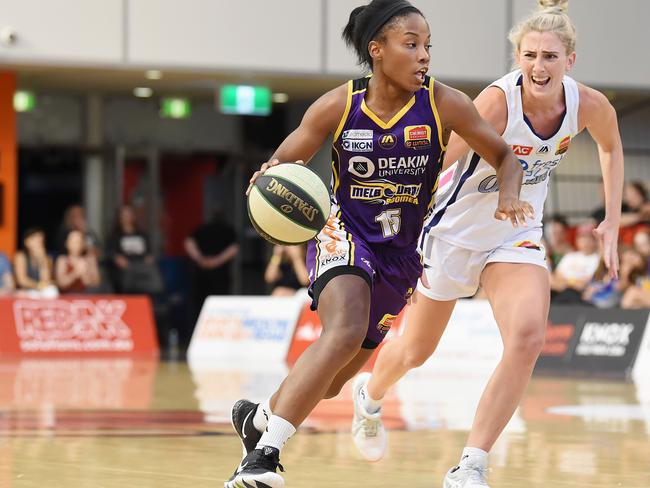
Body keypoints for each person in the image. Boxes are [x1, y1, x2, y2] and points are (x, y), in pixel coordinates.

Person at [224, 1, 532, 487]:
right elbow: (283, 163)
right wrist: (266, 182)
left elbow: (504, 157)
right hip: (343, 232)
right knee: (343, 330)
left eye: (428, 45)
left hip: (401, 254)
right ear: (377, 51)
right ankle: (262, 457)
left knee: (332, 386)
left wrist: (509, 193)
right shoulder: (338, 105)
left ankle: (259, 416)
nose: (424, 55)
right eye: (411, 45)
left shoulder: (444, 103)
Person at [351, 1, 624, 487]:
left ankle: (471, 464)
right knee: (415, 351)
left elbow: (610, 146)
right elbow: (439, 160)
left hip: (515, 233)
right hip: (454, 233)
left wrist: (612, 219)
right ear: (518, 57)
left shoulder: (590, 105)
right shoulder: (498, 103)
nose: (539, 66)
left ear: (570, 61)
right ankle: (369, 396)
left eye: (550, 57)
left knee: (527, 336)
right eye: (530, 55)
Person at [184, 209, 239, 320]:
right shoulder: (228, 230)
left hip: (203, 272)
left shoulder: (202, 228)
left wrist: (200, 259)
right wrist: (216, 261)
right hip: (219, 274)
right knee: (220, 305)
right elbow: (234, 249)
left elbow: (189, 243)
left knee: (199, 305)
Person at [106, 204, 162, 294]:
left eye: (129, 215)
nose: (126, 218)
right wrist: (117, 258)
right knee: (126, 273)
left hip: (142, 265)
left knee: (152, 271)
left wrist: (150, 258)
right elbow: (111, 253)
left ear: (133, 217)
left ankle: (153, 295)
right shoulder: (114, 236)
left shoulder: (142, 234)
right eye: (124, 215)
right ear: (119, 217)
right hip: (126, 266)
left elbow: (150, 252)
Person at [550, 223, 601, 303]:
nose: (585, 241)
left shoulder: (598, 259)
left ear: (595, 240)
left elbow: (584, 283)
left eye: (589, 238)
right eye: (582, 237)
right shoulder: (569, 256)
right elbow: (555, 280)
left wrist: (565, 282)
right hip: (561, 294)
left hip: (580, 298)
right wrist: (572, 282)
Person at [14, 228, 58, 297]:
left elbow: (46, 280)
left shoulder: (48, 258)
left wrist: (42, 259)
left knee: (52, 291)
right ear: (26, 242)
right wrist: (38, 286)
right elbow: (22, 280)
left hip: (41, 291)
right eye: (34, 239)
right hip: (26, 290)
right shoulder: (21, 256)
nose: (38, 242)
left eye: (40, 240)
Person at [55, 229, 101, 293]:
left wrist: (84, 275)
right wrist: (75, 273)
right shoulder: (62, 260)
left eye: (78, 241)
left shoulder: (90, 259)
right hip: (67, 296)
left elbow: (96, 283)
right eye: (73, 241)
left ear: (83, 244)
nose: (76, 245)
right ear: (67, 243)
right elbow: (61, 284)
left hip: (87, 296)